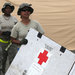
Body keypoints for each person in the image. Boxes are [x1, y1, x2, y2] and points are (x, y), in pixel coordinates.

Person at [0, 2, 18, 74]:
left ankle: (11, 73)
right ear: (4, 9)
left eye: (10, 8)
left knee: (12, 58)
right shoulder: (0, 18)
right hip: (2, 42)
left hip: (11, 42)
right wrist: (4, 32)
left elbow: (17, 29)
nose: (8, 10)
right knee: (2, 59)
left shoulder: (14, 19)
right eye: (7, 8)